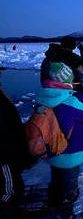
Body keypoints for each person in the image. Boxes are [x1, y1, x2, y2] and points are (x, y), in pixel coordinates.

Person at [36, 62, 83, 218]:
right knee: (69, 187)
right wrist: (77, 94)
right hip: (71, 152)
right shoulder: (70, 100)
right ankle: (67, 215)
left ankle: (54, 210)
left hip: (52, 150)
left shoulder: (42, 97)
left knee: (56, 182)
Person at [0, 68, 35, 218]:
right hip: (5, 157)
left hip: (10, 154)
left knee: (14, 187)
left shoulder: (2, 99)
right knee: (10, 191)